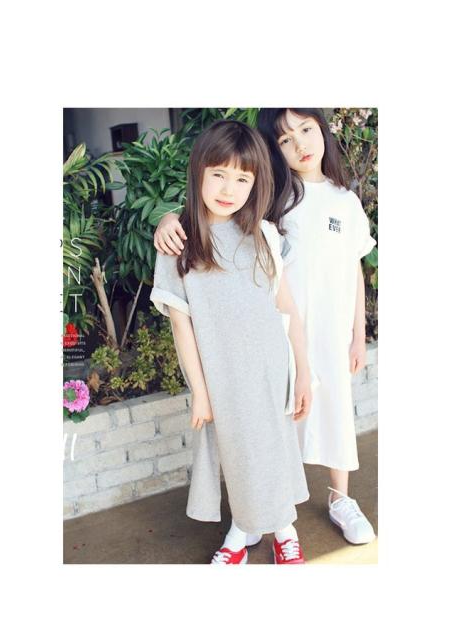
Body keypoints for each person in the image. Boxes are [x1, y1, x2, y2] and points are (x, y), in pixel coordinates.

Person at [154, 108, 377, 545]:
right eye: (285, 139)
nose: (300, 144)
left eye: (306, 130)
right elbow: (217, 203)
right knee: (269, 431)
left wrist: (358, 333)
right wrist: (168, 218)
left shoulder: (344, 201)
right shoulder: (275, 198)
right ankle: (258, 513)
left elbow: (354, 266)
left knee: (333, 411)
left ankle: (339, 498)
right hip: (276, 332)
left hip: (324, 330)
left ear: (322, 130)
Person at [150, 120, 312, 564]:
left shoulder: (264, 234)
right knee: (240, 458)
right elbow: (181, 326)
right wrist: (201, 393)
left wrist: (303, 373)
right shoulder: (179, 244)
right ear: (199, 172)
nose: (229, 189)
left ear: (255, 183)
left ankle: (280, 530)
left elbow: (287, 308)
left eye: (242, 179)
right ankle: (246, 529)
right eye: (219, 174)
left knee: (274, 450)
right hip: (224, 378)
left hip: (272, 369)